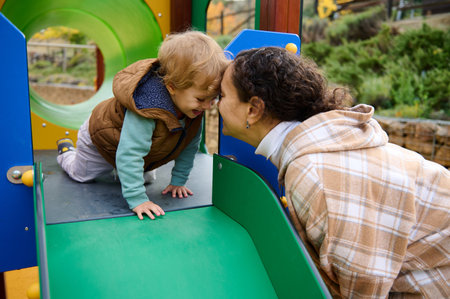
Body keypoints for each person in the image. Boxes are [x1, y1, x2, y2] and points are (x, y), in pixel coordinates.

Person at [218, 46, 449, 298]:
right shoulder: (318, 148)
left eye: (222, 95)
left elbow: (363, 285)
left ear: (253, 108)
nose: (215, 104)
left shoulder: (314, 174)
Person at [57, 31, 229, 220]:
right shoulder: (147, 108)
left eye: (213, 99)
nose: (207, 106)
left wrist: (178, 181)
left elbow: (189, 146)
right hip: (100, 138)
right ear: (172, 87)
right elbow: (130, 154)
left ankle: (120, 170)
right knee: (82, 175)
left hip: (129, 143)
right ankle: (66, 151)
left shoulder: (193, 109)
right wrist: (137, 199)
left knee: (145, 179)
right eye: (201, 99)